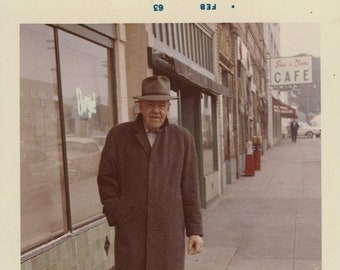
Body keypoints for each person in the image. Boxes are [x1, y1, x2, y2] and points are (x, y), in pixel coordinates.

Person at [97, 75, 204, 270]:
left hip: (169, 235)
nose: (156, 111)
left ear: (168, 108)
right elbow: (106, 180)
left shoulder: (182, 138)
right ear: (140, 105)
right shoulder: (118, 136)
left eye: (162, 105)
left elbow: (190, 189)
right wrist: (118, 213)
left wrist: (194, 231)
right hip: (131, 234)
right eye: (150, 104)